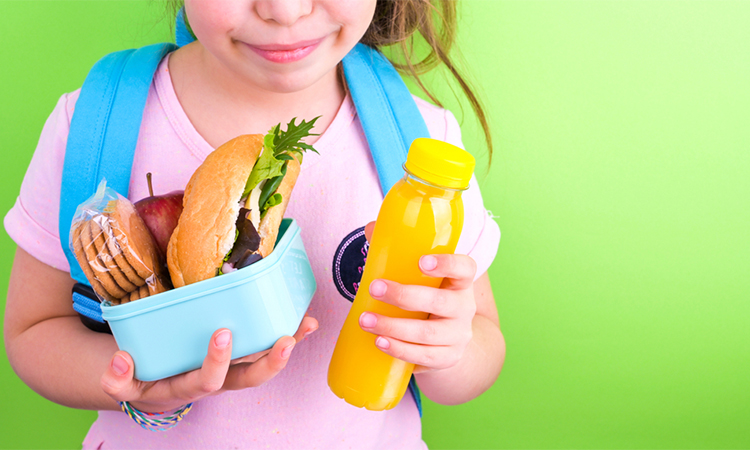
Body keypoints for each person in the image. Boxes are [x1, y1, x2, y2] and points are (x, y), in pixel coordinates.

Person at [3, 1, 505, 448]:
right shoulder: (93, 127)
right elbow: (33, 331)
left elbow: (481, 347)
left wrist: (450, 348)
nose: (284, 11)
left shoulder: (421, 151)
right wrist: (143, 383)